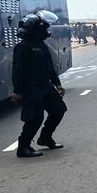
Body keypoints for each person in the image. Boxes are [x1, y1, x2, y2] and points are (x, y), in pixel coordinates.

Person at [11, 11, 68, 158]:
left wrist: (57, 84)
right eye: (44, 28)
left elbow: (50, 68)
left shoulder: (42, 45)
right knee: (34, 118)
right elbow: (18, 71)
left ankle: (45, 138)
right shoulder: (22, 47)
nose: (46, 31)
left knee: (59, 109)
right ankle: (23, 147)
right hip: (30, 89)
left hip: (45, 86)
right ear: (36, 29)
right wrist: (17, 92)